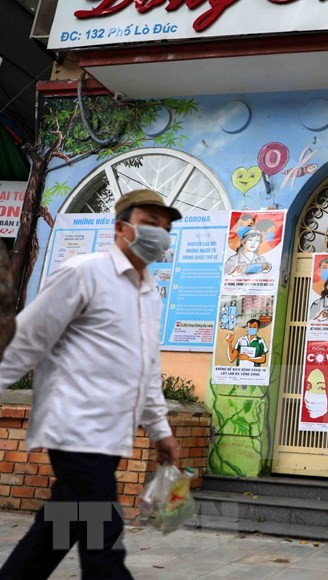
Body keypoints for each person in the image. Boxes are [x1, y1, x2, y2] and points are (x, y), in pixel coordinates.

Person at [0, 189, 181, 579]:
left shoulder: (149, 293)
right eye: (150, 224)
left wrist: (161, 430)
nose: (160, 234)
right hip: (75, 427)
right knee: (104, 544)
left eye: (166, 228)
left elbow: (146, 369)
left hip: (111, 434)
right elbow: (27, 338)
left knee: (56, 531)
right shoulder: (84, 272)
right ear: (121, 228)